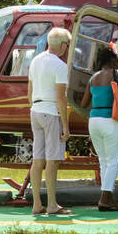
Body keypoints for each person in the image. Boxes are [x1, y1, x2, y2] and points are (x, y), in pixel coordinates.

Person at [82, 44, 118, 211]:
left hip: (94, 120)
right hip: (111, 120)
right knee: (113, 161)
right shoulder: (117, 74)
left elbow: (84, 103)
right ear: (112, 60)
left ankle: (107, 198)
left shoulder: (93, 78)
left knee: (104, 161)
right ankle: (104, 199)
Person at [27, 27, 73, 215]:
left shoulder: (35, 61)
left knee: (37, 160)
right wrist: (66, 125)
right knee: (52, 161)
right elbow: (61, 97)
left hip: (35, 111)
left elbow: (29, 93)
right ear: (63, 46)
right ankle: (53, 205)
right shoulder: (60, 65)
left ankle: (37, 204)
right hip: (50, 112)